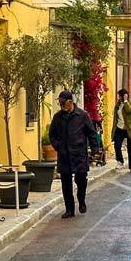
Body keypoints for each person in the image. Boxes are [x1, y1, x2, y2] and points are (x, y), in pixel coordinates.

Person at [49, 90, 97, 218]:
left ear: (70, 102)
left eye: (62, 103)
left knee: (81, 179)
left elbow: (92, 133)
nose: (61, 105)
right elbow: (52, 134)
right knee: (66, 183)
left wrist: (95, 150)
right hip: (64, 155)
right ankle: (69, 209)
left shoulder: (82, 115)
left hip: (79, 154)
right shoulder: (58, 117)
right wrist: (57, 145)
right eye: (59, 103)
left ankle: (81, 200)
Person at [111, 89, 131, 172]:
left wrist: (126, 101)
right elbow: (116, 118)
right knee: (117, 145)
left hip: (130, 129)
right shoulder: (118, 105)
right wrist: (114, 129)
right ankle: (120, 161)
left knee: (130, 148)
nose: (118, 98)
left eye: (120, 96)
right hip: (119, 128)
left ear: (124, 96)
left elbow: (129, 110)